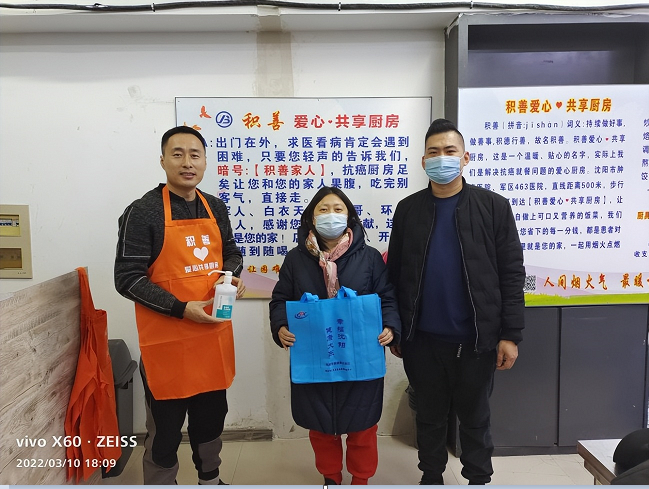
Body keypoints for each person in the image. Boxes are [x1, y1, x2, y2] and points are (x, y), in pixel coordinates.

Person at [387, 118, 525, 485]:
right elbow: (395, 274)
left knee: (476, 417)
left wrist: (510, 334)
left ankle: (478, 479)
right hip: (422, 340)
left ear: (465, 157)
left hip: (477, 340)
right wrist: (396, 328)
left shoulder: (493, 207)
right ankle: (431, 477)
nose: (442, 158)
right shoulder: (408, 209)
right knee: (429, 416)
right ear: (423, 161)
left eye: (450, 151)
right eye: (433, 152)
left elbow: (512, 274)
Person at [115, 126, 245, 485]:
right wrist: (181, 308)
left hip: (211, 340)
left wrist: (230, 276)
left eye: (195, 154)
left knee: (211, 421)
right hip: (167, 346)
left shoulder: (215, 206)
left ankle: (210, 479)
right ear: (162, 161)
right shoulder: (143, 212)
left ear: (204, 161)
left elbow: (232, 254)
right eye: (177, 154)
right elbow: (127, 278)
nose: (187, 162)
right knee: (165, 431)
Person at [269, 187, 401, 485]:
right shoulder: (295, 259)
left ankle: (360, 479)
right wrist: (280, 326)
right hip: (316, 355)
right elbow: (280, 300)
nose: (331, 215)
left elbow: (387, 297)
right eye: (323, 209)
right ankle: (331, 478)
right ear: (311, 218)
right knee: (321, 429)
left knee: (362, 427)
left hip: (360, 355)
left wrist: (390, 326)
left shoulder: (370, 258)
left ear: (350, 216)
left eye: (338, 209)